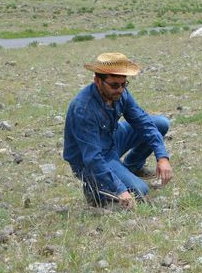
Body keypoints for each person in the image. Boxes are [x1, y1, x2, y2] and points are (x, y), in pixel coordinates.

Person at [63, 52, 173, 209]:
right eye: (114, 85)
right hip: (91, 158)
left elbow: (143, 123)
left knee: (160, 124)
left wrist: (162, 157)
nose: (120, 90)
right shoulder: (83, 109)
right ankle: (95, 190)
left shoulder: (121, 93)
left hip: (111, 140)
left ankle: (132, 167)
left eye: (124, 84)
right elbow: (92, 157)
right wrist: (119, 189)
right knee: (140, 191)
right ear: (97, 81)